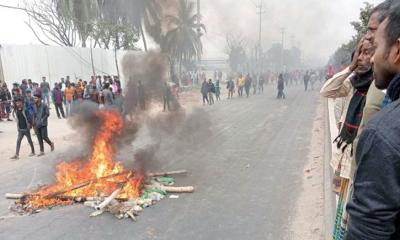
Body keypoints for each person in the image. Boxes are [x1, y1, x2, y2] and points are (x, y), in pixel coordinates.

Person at [344, 4, 400, 239]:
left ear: (397, 50)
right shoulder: (360, 82)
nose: (372, 55)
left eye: (375, 47)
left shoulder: (384, 134)